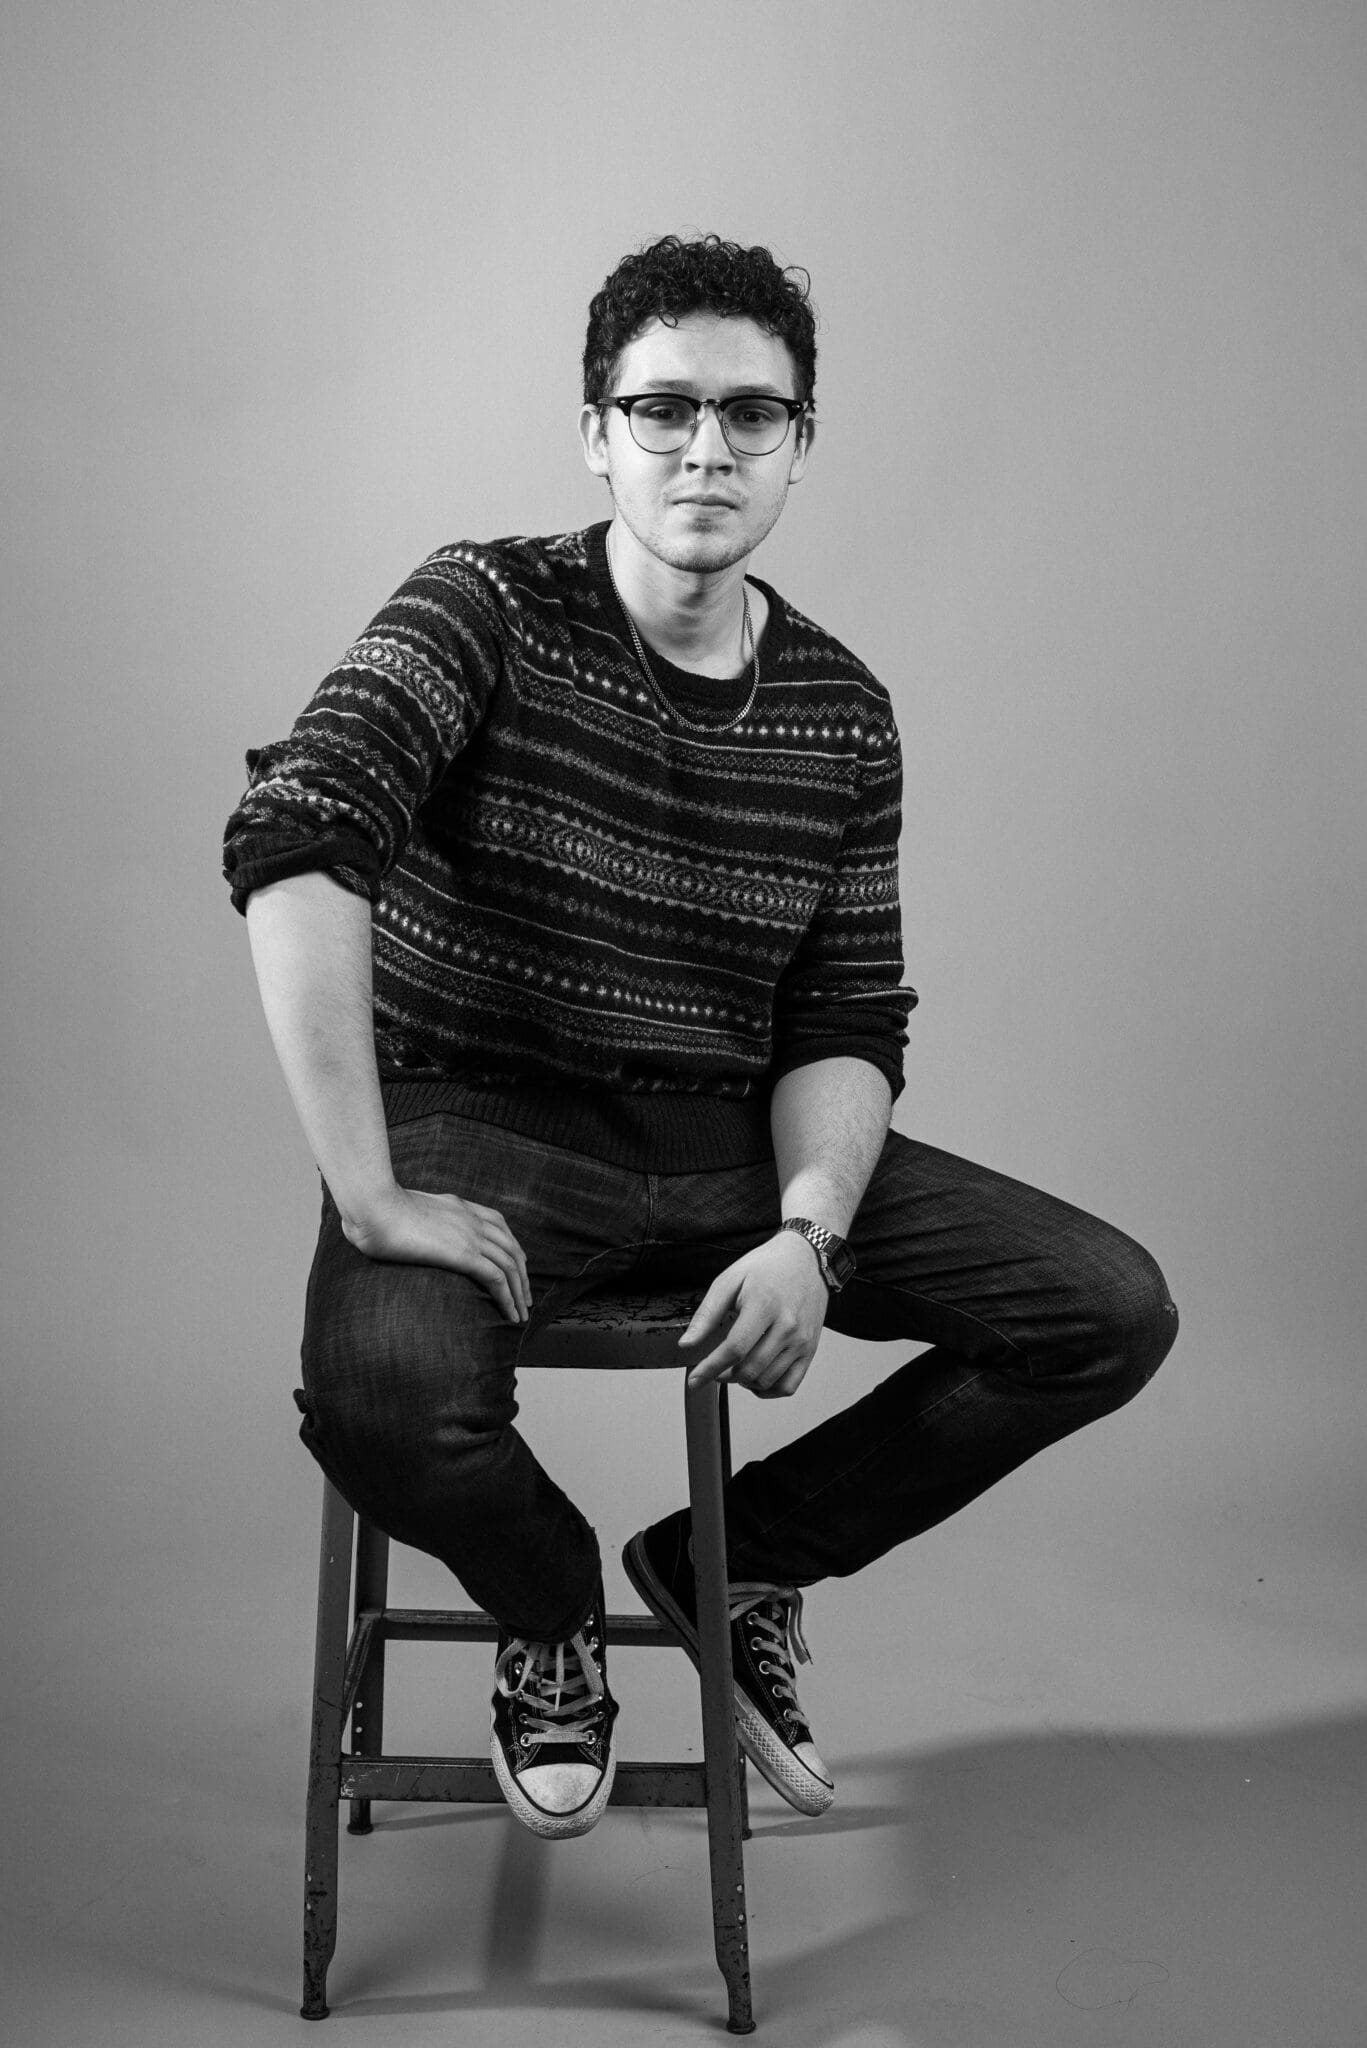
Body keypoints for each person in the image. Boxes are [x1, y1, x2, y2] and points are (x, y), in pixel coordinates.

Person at [224, 233, 1177, 1843]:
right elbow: (301, 832)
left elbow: (845, 1015)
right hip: (481, 1126)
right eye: (662, 409)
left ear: (801, 443)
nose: (706, 450)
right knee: (380, 1393)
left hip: (724, 1144)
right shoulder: (485, 605)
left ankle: (732, 1563)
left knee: (1104, 1310)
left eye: (752, 413)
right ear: (597, 433)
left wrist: (812, 1231)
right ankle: (554, 1614)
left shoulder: (840, 709)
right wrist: (370, 1190)